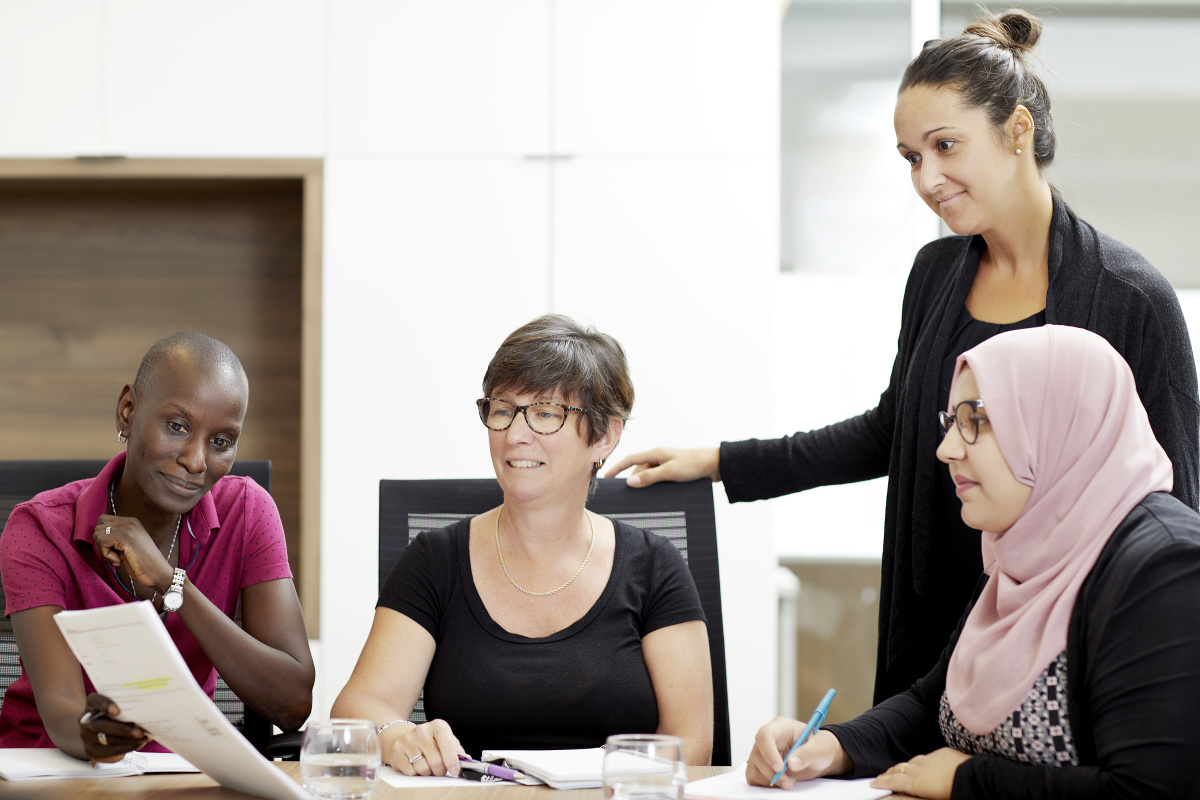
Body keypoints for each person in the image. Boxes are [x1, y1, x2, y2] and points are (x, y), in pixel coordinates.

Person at [606, 8, 1199, 704]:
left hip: (1066, 646)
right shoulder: (936, 274)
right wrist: (721, 461)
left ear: (1017, 130)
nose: (927, 178)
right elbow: (895, 431)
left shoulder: (1130, 298)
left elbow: (1173, 511)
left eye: (947, 146)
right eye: (913, 157)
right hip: (934, 630)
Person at [746, 325, 1200, 799]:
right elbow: (933, 703)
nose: (946, 449)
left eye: (976, 421)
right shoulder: (1027, 550)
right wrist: (832, 746)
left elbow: (1150, 790)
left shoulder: (1165, 570)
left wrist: (967, 780)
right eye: (950, 423)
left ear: (1054, 423)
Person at [332, 314, 713, 774]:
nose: (515, 434)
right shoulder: (434, 560)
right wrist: (396, 736)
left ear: (605, 436)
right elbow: (360, 706)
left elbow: (691, 746)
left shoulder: (655, 566)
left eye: (546, 414)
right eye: (503, 409)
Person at [0, 331, 314, 761]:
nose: (197, 460)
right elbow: (61, 710)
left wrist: (171, 584)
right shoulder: (37, 528)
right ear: (128, 411)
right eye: (177, 426)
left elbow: (293, 703)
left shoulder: (247, 511)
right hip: (53, 766)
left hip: (181, 770)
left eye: (220, 441)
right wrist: (104, 734)